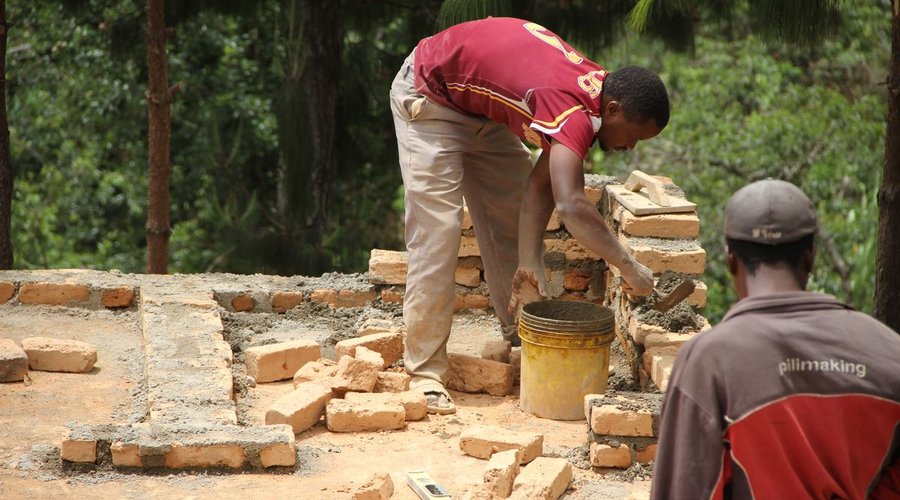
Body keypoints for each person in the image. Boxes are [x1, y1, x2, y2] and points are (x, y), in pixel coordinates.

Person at [390, 16, 669, 414]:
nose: (629, 148)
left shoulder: (593, 95)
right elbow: (571, 206)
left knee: (507, 213)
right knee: (439, 232)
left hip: (481, 112)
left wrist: (528, 270)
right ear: (613, 108)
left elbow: (539, 191)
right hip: (430, 97)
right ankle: (425, 373)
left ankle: (523, 332)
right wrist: (629, 267)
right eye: (633, 136)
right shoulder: (572, 111)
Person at [651, 179, 900, 499]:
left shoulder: (709, 361)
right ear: (810, 257)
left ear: (730, 260)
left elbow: (684, 489)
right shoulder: (889, 351)